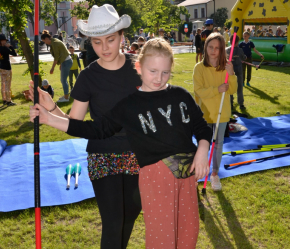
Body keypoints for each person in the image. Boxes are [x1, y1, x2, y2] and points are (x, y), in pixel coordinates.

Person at [30, 37, 212, 249]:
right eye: (152, 71)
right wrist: (49, 117)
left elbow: (202, 127)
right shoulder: (129, 106)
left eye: (165, 72)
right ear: (139, 68)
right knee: (162, 238)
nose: (158, 79)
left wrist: (202, 150)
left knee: (188, 233)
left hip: (188, 176)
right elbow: (96, 129)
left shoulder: (181, 95)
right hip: (155, 177)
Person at [29, 4, 142, 249]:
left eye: (110, 40)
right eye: (97, 42)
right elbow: (76, 123)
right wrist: (50, 108)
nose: (104, 48)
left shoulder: (141, 68)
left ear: (122, 35)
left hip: (140, 155)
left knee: (129, 218)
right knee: (113, 221)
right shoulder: (87, 76)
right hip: (103, 155)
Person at [193, 32, 237, 191]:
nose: (213, 51)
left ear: (221, 50)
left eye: (217, 48)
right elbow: (198, 90)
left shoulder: (226, 68)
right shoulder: (199, 68)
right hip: (204, 115)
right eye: (210, 47)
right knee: (202, 145)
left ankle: (215, 174)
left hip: (222, 114)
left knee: (218, 145)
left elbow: (232, 90)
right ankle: (199, 172)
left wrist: (231, 75)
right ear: (205, 48)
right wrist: (216, 89)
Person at [41, 29, 72, 102]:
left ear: (46, 39)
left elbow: (56, 57)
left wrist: (52, 68)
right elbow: (61, 53)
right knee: (63, 80)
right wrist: (61, 64)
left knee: (63, 80)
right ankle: (65, 96)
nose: (45, 43)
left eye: (44, 41)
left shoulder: (54, 43)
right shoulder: (54, 41)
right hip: (66, 61)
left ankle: (66, 98)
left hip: (66, 62)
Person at [0, 34, 17, 106]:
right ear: (1, 41)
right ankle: (8, 101)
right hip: (7, 68)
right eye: (4, 40)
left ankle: (4, 99)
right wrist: (10, 47)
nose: (5, 42)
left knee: (3, 84)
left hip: (1, 68)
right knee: (7, 85)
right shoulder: (5, 49)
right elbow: (14, 54)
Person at [226, 35, 246, 111]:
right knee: (239, 87)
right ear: (237, 42)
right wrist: (245, 57)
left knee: (230, 86)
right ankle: (241, 104)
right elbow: (243, 57)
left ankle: (230, 103)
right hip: (238, 71)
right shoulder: (240, 50)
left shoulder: (227, 50)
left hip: (230, 71)